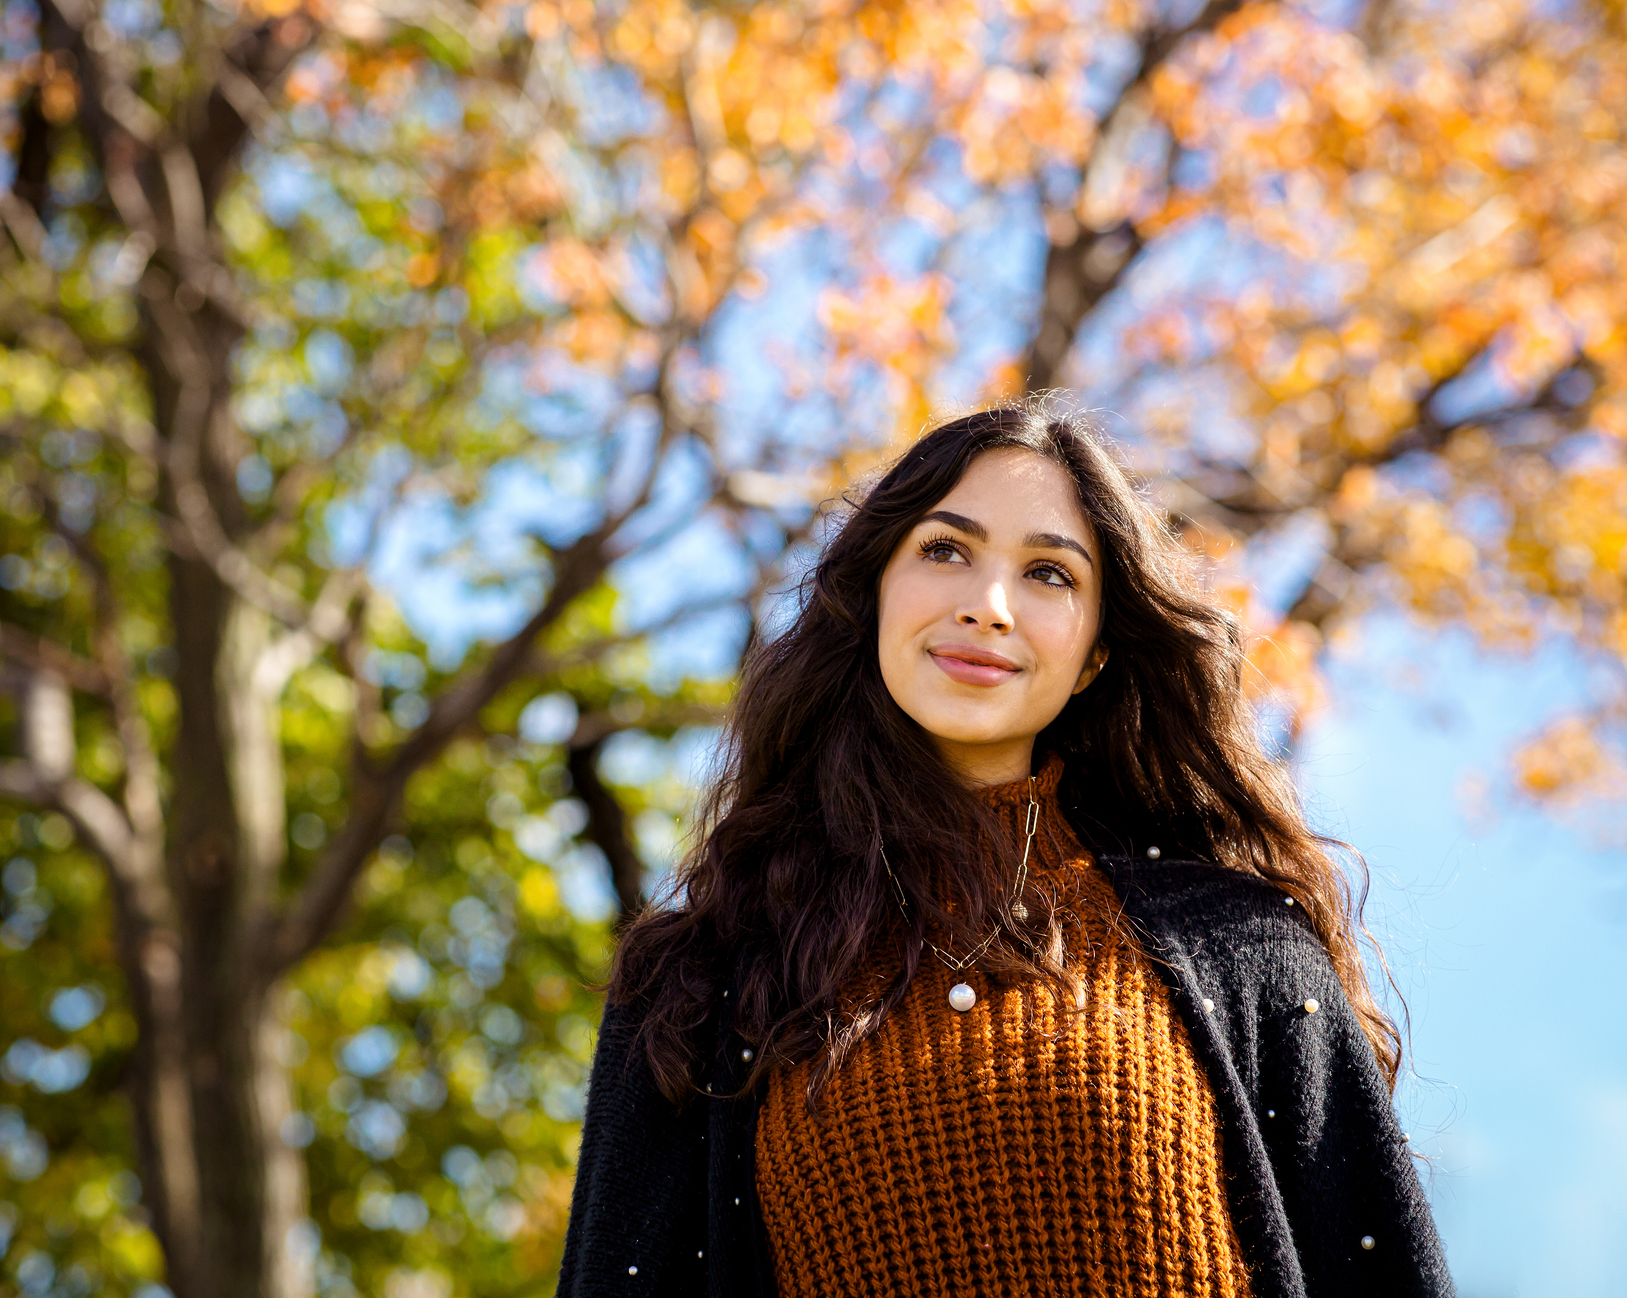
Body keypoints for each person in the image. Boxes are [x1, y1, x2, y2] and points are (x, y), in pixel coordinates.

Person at [556, 401, 1452, 1298]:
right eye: (944, 550)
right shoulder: (699, 982)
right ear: (872, 593)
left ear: (1096, 653)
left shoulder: (1243, 947)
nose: (988, 608)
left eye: (1049, 575)